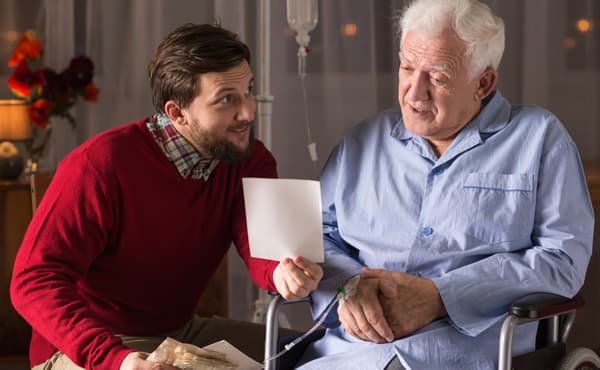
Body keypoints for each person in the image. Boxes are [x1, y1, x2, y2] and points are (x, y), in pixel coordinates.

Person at [296, 0, 594, 369]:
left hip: (467, 353)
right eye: (407, 68)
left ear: (483, 82)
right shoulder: (361, 142)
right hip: (351, 355)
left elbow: (562, 261)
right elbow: (318, 235)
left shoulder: (539, 139)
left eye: (437, 77)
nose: (414, 92)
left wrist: (441, 296)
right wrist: (350, 285)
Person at [10, 23, 323, 370]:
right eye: (226, 99)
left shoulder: (250, 159)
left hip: (177, 332)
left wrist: (282, 272)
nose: (247, 112)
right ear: (177, 113)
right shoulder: (100, 165)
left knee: (317, 353)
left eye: (248, 90)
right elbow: (33, 280)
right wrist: (116, 359)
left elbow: (261, 248)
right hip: (86, 346)